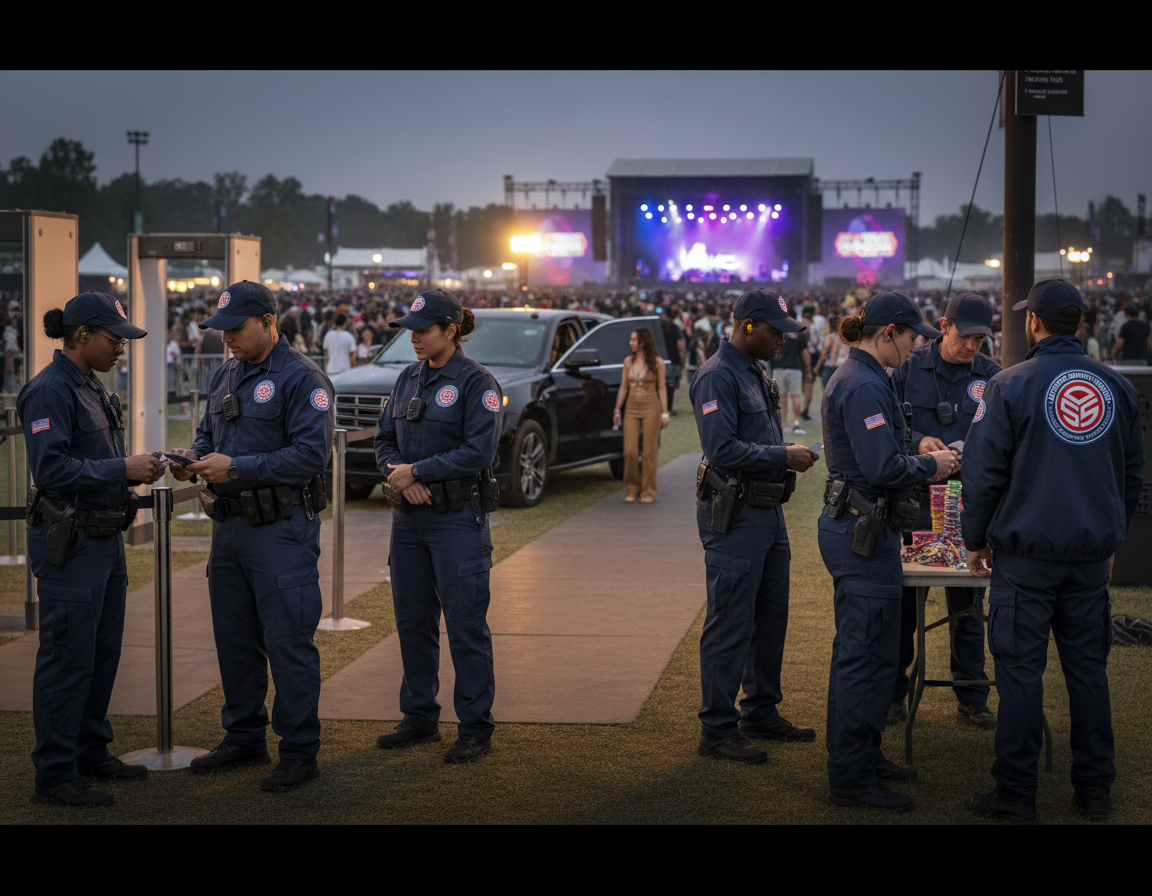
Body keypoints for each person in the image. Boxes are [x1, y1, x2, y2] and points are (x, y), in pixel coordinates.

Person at [962, 279, 1144, 823]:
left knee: (1020, 673)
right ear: (1081, 324)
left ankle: (1016, 793)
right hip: (1088, 554)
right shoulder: (1118, 389)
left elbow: (984, 474)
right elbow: (1131, 476)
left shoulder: (1011, 384)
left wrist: (974, 539)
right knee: (1088, 672)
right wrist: (1112, 536)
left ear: (1033, 323)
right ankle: (1095, 791)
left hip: (1025, 557)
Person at [169, 280, 334, 793]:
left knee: (288, 641)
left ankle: (299, 750)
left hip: (280, 529)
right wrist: (194, 461)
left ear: (267, 321)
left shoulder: (303, 377)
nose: (226, 340)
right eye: (220, 330)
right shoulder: (225, 373)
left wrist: (235, 467)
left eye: (235, 329)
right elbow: (207, 434)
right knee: (235, 642)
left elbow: (311, 456)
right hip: (230, 529)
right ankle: (244, 736)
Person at [19, 292, 165, 807]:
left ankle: (89, 750)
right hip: (73, 540)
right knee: (67, 658)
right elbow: (52, 470)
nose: (121, 349)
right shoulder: (50, 391)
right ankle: (55, 774)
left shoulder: (89, 385)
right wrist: (122, 469)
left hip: (103, 537)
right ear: (82, 335)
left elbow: (93, 458)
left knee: (101, 653)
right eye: (114, 339)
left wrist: (134, 470)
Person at [819, 292, 961, 812]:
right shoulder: (861, 384)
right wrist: (933, 466)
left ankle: (863, 755)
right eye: (910, 338)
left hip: (868, 529)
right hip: (863, 531)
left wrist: (919, 453)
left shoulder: (864, 377)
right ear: (888, 333)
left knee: (875, 656)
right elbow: (880, 469)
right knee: (863, 654)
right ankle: (851, 775)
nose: (913, 349)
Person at [689, 288, 819, 765]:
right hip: (736, 512)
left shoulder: (755, 372)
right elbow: (722, 450)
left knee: (770, 616)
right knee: (731, 620)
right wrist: (783, 455)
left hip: (766, 510)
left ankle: (760, 710)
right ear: (746, 325)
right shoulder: (716, 376)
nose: (781, 341)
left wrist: (780, 460)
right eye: (774, 331)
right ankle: (717, 729)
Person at [374, 288, 503, 763]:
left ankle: (475, 726)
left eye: (422, 330)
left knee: (466, 625)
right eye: (409, 330)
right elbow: (385, 440)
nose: (413, 339)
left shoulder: (476, 382)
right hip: (409, 519)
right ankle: (419, 717)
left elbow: (479, 451)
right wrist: (400, 476)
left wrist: (419, 471)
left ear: (451, 330)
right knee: (413, 622)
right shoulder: (406, 378)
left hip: (455, 521)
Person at [888, 294, 1002, 730]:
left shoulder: (992, 376)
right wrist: (917, 442)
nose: (971, 345)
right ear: (943, 324)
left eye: (980, 338)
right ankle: (894, 693)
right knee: (902, 609)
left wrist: (968, 452)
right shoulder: (908, 367)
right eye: (964, 335)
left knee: (969, 608)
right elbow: (887, 422)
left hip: (969, 507)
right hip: (913, 502)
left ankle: (971, 696)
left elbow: (1000, 437)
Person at [613, 328, 669, 503]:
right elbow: (623, 387)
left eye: (634, 340)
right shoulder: (627, 362)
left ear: (643, 342)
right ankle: (632, 487)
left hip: (651, 406)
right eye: (631, 339)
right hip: (631, 407)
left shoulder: (658, 363)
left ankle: (648, 491)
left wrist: (665, 412)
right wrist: (617, 409)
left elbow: (661, 388)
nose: (631, 343)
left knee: (649, 452)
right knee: (629, 451)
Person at [324, 312, 357, 376]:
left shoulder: (328, 335)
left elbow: (326, 355)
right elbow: (354, 353)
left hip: (331, 370)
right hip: (344, 370)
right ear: (345, 322)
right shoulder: (348, 336)